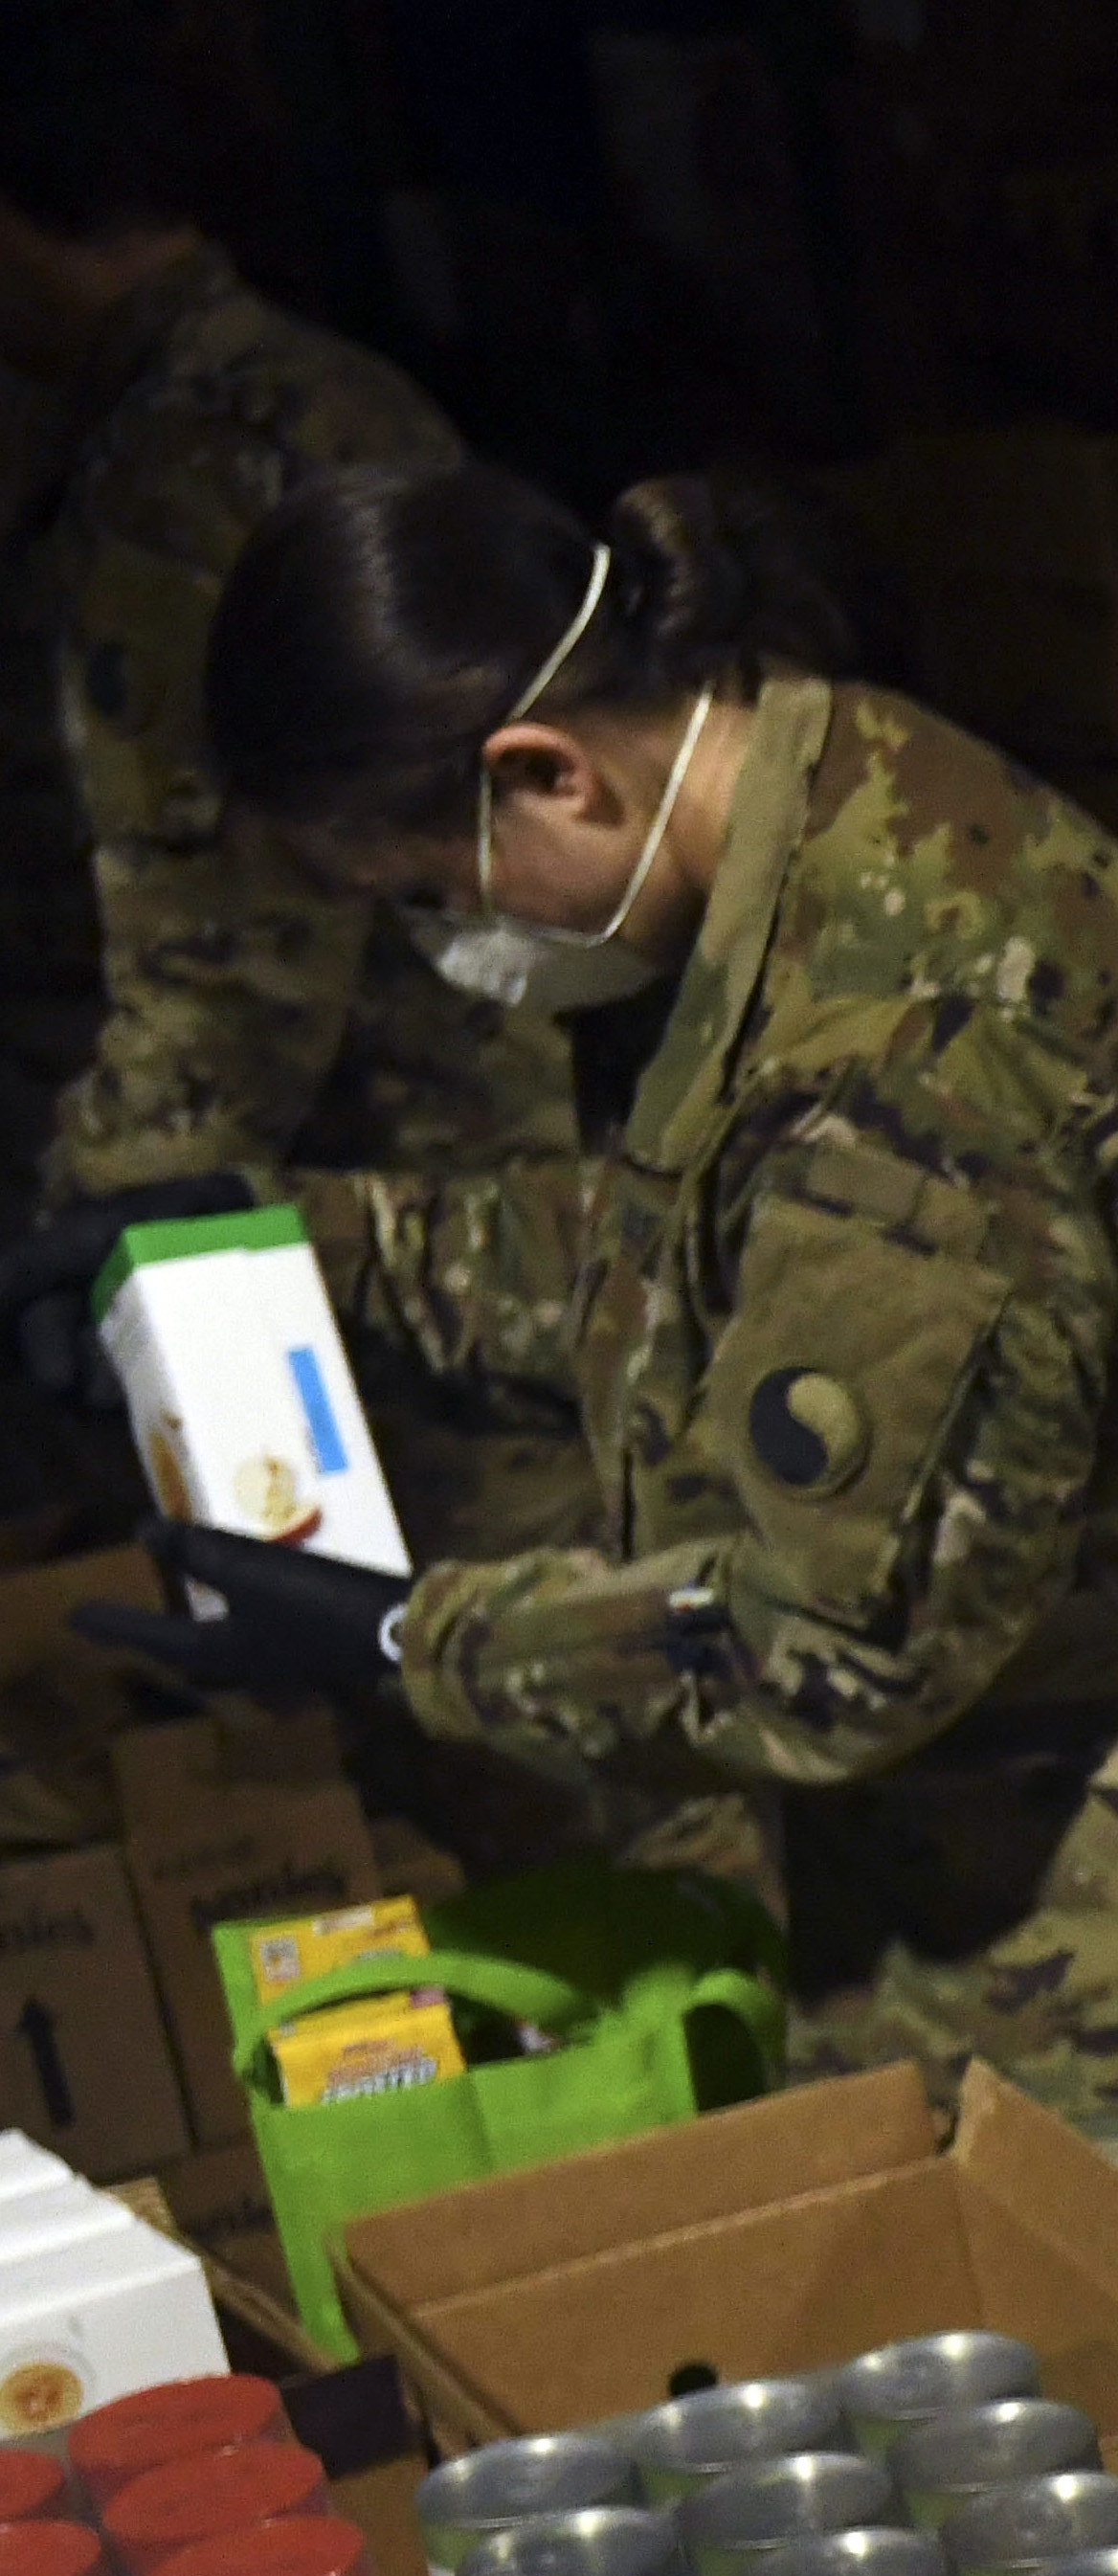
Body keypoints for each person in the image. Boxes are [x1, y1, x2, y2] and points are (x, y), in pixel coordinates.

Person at [47, 459, 1118, 2576]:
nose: (443, 952)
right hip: (1080, 1880)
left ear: (546, 774)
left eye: (427, 896)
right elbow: (687, 1277)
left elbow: (826, 1648)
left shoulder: (894, 1045)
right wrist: (301, 1241)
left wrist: (393, 1636)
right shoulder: (811, 804)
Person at [0, 5, 566, 1516]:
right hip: (438, 1194)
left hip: (312, 1229)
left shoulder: (190, 471)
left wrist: (97, 1245)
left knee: (355, 1663)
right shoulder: (300, 395)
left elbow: (230, 977)